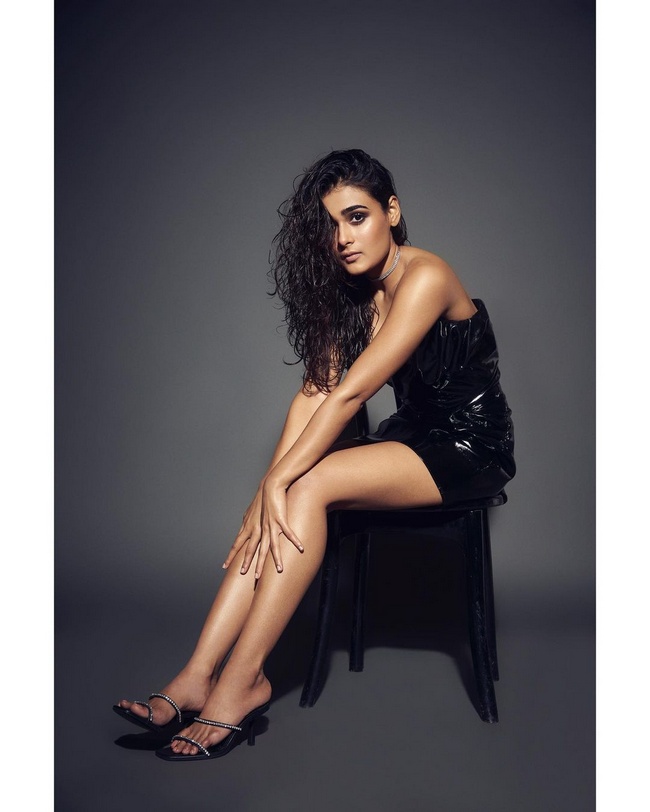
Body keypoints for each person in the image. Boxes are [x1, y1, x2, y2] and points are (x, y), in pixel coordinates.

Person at [113, 148, 515, 761]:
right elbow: (317, 393)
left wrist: (281, 482)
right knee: (278, 499)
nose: (343, 238)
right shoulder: (354, 294)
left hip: (469, 444)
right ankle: (196, 674)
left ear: (392, 212)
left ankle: (243, 680)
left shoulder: (427, 276)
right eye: (331, 225)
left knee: (305, 484)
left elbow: (353, 393)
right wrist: (264, 490)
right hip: (411, 438)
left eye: (357, 217)